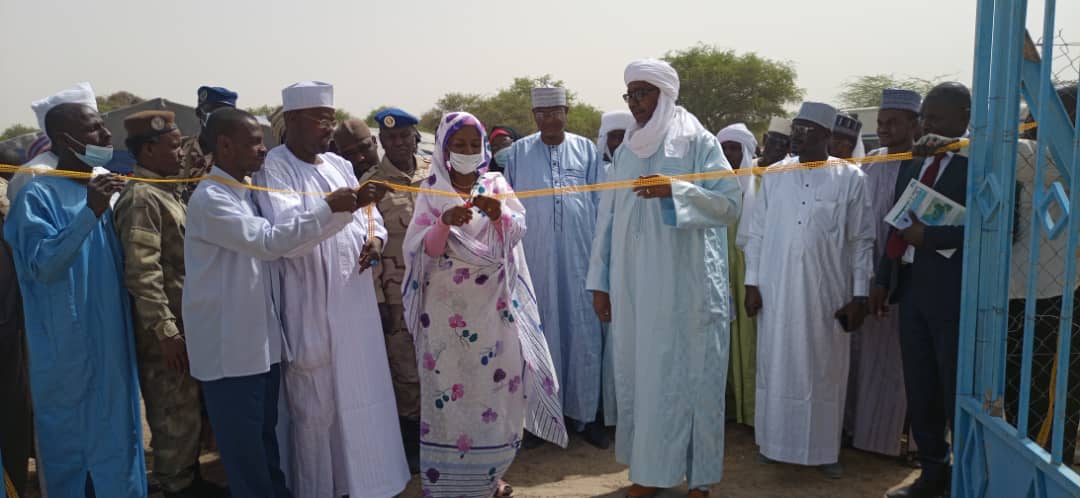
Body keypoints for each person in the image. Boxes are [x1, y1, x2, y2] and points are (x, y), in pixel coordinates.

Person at [184, 107, 363, 498]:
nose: (263, 149)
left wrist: (339, 212)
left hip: (259, 345)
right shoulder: (212, 198)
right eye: (253, 142)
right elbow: (268, 242)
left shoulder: (244, 192)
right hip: (230, 352)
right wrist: (328, 207)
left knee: (264, 444)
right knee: (246, 455)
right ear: (225, 145)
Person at [587, 59, 742, 498]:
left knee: (691, 380)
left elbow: (730, 204)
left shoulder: (698, 141)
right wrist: (600, 282)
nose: (635, 103)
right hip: (634, 288)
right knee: (644, 379)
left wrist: (676, 190)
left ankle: (700, 479)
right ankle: (649, 473)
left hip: (685, 288)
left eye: (643, 93)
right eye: (630, 95)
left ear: (665, 93)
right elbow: (608, 219)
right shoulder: (626, 149)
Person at [253, 82, 410, 497]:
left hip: (354, 303)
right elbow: (288, 238)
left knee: (364, 393)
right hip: (309, 302)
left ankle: (371, 484)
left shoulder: (339, 164)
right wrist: (340, 208)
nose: (328, 127)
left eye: (330, 118)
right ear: (292, 120)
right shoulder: (274, 168)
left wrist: (374, 240)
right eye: (319, 119)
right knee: (314, 409)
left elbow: (370, 215)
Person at [402, 111, 568, 498]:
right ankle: (449, 482)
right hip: (445, 315)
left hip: (494, 311)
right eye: (458, 145)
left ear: (484, 148)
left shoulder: (495, 183)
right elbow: (423, 250)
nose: (466, 151)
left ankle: (490, 476)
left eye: (473, 144)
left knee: (496, 393)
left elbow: (517, 230)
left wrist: (498, 215)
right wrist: (443, 222)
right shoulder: (432, 188)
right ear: (444, 148)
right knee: (449, 394)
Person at [4, 102, 145, 497]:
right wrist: (89, 214)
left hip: (112, 343)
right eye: (95, 129)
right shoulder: (37, 194)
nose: (107, 136)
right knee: (73, 451)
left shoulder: (103, 188)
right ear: (66, 140)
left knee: (120, 441)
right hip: (66, 351)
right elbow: (42, 266)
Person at [744, 102, 875, 478]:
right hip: (776, 289)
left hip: (827, 293)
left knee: (824, 369)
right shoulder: (775, 175)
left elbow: (861, 240)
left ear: (826, 136)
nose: (796, 136)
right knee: (776, 364)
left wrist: (860, 294)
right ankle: (773, 444)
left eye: (806, 130)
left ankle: (823, 449)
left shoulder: (850, 178)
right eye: (795, 129)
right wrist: (752, 282)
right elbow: (757, 233)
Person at [112, 111, 227, 498]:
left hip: (186, 323)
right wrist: (165, 331)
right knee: (172, 411)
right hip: (166, 333)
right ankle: (177, 486)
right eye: (174, 146)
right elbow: (142, 272)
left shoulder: (165, 191)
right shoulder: (141, 198)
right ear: (148, 150)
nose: (181, 153)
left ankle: (189, 479)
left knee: (188, 409)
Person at [870, 83, 972, 498]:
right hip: (911, 289)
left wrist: (929, 237)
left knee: (952, 387)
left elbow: (996, 228)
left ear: (964, 117)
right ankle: (933, 473)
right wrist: (883, 279)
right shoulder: (917, 162)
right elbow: (898, 223)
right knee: (921, 385)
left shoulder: (980, 163)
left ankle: (966, 477)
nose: (927, 127)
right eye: (925, 118)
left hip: (951, 293)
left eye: (936, 118)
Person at [503, 86, 607, 447]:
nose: (549, 120)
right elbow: (508, 207)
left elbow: (601, 204)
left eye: (555, 112)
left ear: (567, 111)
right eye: (542, 114)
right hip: (535, 262)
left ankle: (586, 416)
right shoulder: (518, 153)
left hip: (581, 260)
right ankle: (542, 419)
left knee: (584, 334)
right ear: (534, 117)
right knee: (539, 334)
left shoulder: (586, 149)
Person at [1004, 85, 1080, 465]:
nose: (1035, 121)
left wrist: (963, 141)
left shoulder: (1064, 158)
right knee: (1013, 391)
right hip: (1015, 293)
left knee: (1045, 398)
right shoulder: (1031, 156)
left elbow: (1015, 154)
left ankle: (1044, 470)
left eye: (1051, 114)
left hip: (1057, 297)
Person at [845, 88, 921, 458]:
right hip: (867, 270)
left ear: (914, 124)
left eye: (893, 122)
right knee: (865, 357)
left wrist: (888, 276)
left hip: (904, 276)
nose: (885, 129)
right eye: (880, 122)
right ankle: (862, 433)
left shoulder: (922, 164)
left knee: (900, 362)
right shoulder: (870, 163)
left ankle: (899, 441)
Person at [362, 107, 432, 474]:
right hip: (397, 292)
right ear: (381, 141)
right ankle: (412, 442)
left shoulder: (436, 173)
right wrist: (379, 301)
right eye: (390, 138)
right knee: (406, 368)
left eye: (405, 135)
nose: (399, 143)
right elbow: (368, 242)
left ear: (415, 137)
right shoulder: (372, 183)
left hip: (439, 288)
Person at [715, 122, 759, 427]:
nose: (729, 154)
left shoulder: (758, 185)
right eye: (724, 148)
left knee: (747, 338)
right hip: (717, 269)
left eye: (735, 149)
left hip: (747, 271)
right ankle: (726, 407)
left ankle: (750, 409)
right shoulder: (711, 185)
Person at [8, 82, 99, 203]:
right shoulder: (32, 174)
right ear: (62, 136)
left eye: (102, 126)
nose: (107, 133)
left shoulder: (100, 171)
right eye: (92, 129)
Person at [179, 86, 237, 202]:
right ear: (199, 113)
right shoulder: (178, 148)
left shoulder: (238, 156)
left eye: (225, 113)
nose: (219, 118)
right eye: (213, 112)